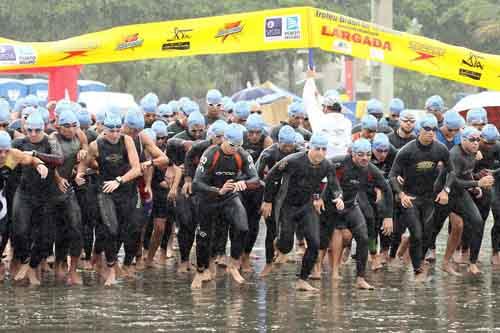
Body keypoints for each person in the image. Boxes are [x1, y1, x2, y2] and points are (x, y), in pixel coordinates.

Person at [261, 132, 343, 291]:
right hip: (286, 205)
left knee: (314, 243)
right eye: (317, 148)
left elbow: (334, 185)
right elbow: (271, 176)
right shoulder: (293, 160)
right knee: (286, 246)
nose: (320, 152)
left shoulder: (327, 165)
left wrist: (338, 197)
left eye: (323, 149)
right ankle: (278, 245)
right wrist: (268, 201)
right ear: (309, 148)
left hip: (306, 206)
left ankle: (302, 280)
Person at [76, 113, 141, 286]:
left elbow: (136, 169)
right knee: (110, 228)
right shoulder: (95, 145)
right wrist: (80, 174)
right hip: (105, 191)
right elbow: (86, 163)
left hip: (126, 189)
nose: (114, 134)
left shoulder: (126, 141)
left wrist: (119, 181)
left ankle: (110, 262)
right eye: (111, 130)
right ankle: (111, 269)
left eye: (117, 130)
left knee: (126, 230)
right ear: (104, 129)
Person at [191, 124, 259, 289]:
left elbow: (255, 179)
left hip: (229, 196)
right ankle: (201, 271)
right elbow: (196, 183)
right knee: (204, 237)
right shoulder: (211, 154)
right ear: (224, 140)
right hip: (208, 197)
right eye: (232, 146)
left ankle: (233, 264)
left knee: (243, 227)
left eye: (239, 146)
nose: (235, 149)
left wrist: (243, 183)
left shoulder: (240, 154)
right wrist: (217, 190)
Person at [320, 138, 393, 289]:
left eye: (367, 154)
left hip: (350, 205)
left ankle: (360, 278)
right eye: (360, 154)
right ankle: (326, 270)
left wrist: (388, 216)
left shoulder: (371, 170)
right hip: (330, 205)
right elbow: (316, 173)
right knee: (327, 239)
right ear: (353, 154)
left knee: (363, 238)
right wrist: (316, 198)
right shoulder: (339, 162)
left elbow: (387, 190)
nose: (365, 158)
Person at [389, 114, 452, 282]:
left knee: (428, 234)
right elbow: (392, 175)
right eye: (427, 129)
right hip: (410, 197)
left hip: (429, 198)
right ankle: (417, 269)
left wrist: (445, 190)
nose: (431, 133)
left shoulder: (440, 149)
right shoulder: (407, 151)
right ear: (419, 131)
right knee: (416, 233)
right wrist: (401, 194)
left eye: (434, 129)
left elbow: (451, 171)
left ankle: (419, 261)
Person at [11, 111, 63, 285]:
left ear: (43, 129)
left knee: (46, 236)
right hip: (24, 192)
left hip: (46, 195)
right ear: (25, 129)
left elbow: (59, 160)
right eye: (30, 130)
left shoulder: (50, 141)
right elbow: (9, 163)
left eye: (37, 131)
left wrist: (35, 155)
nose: (33, 134)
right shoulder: (18, 142)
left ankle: (32, 267)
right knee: (19, 231)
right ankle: (25, 262)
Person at [0, 131, 48, 282]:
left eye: (5, 151)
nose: (2, 155)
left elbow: (31, 159)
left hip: (3, 199)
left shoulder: (13, 155)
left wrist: (40, 165)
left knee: (7, 230)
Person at [447, 127, 494, 275]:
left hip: (460, 193)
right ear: (463, 140)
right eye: (472, 140)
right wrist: (477, 184)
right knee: (431, 228)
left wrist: (475, 188)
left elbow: (466, 174)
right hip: (444, 194)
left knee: (477, 221)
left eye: (477, 140)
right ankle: (421, 260)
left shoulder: (473, 153)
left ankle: (472, 262)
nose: (475, 143)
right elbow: (453, 182)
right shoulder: (455, 155)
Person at [181, 120, 227, 273]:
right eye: (219, 137)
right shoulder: (201, 146)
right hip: (199, 190)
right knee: (190, 224)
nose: (222, 141)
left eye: (225, 137)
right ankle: (186, 260)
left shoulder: (230, 150)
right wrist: (187, 179)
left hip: (218, 192)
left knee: (218, 227)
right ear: (212, 136)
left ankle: (211, 260)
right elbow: (187, 156)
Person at [257, 125, 301, 277]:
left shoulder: (301, 152)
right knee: (271, 230)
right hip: (272, 196)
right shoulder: (268, 154)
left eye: (291, 146)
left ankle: (283, 249)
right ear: (278, 142)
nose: (288, 149)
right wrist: (266, 200)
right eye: (285, 146)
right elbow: (257, 177)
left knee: (289, 229)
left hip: (292, 197)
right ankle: (268, 263)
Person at [49, 110, 85, 285]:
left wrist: (82, 157)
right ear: (58, 126)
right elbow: (53, 160)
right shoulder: (52, 139)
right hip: (50, 191)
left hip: (67, 190)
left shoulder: (80, 137)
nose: (71, 130)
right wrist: (57, 178)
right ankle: (58, 262)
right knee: (57, 230)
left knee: (76, 226)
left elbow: (86, 152)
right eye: (67, 126)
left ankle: (73, 269)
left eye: (74, 126)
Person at [240, 114, 272, 271]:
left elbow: (271, 168)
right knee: (238, 222)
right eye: (250, 132)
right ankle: (236, 255)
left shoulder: (267, 141)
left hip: (257, 188)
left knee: (253, 224)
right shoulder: (240, 138)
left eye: (257, 133)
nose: (253, 136)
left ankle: (246, 256)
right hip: (240, 186)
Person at [303, 74, 352, 158]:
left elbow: (309, 100)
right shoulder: (348, 123)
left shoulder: (319, 120)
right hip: (343, 164)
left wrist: (310, 79)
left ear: (325, 108)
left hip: (323, 163)